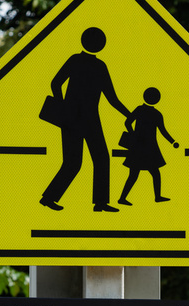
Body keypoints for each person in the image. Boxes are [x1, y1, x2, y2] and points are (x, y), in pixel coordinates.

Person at [40, 27, 129, 212]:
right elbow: (112, 99)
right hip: (80, 119)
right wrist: (63, 108)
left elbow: (56, 84)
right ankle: (51, 198)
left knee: (92, 160)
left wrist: (130, 115)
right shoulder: (93, 64)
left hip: (81, 119)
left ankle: (99, 203)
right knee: (82, 161)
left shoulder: (88, 63)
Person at [118, 87, 178, 206]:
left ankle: (125, 198)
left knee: (139, 174)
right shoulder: (156, 114)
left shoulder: (141, 110)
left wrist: (133, 134)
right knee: (149, 173)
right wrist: (172, 142)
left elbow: (127, 122)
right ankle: (125, 198)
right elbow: (163, 131)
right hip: (148, 147)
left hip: (141, 147)